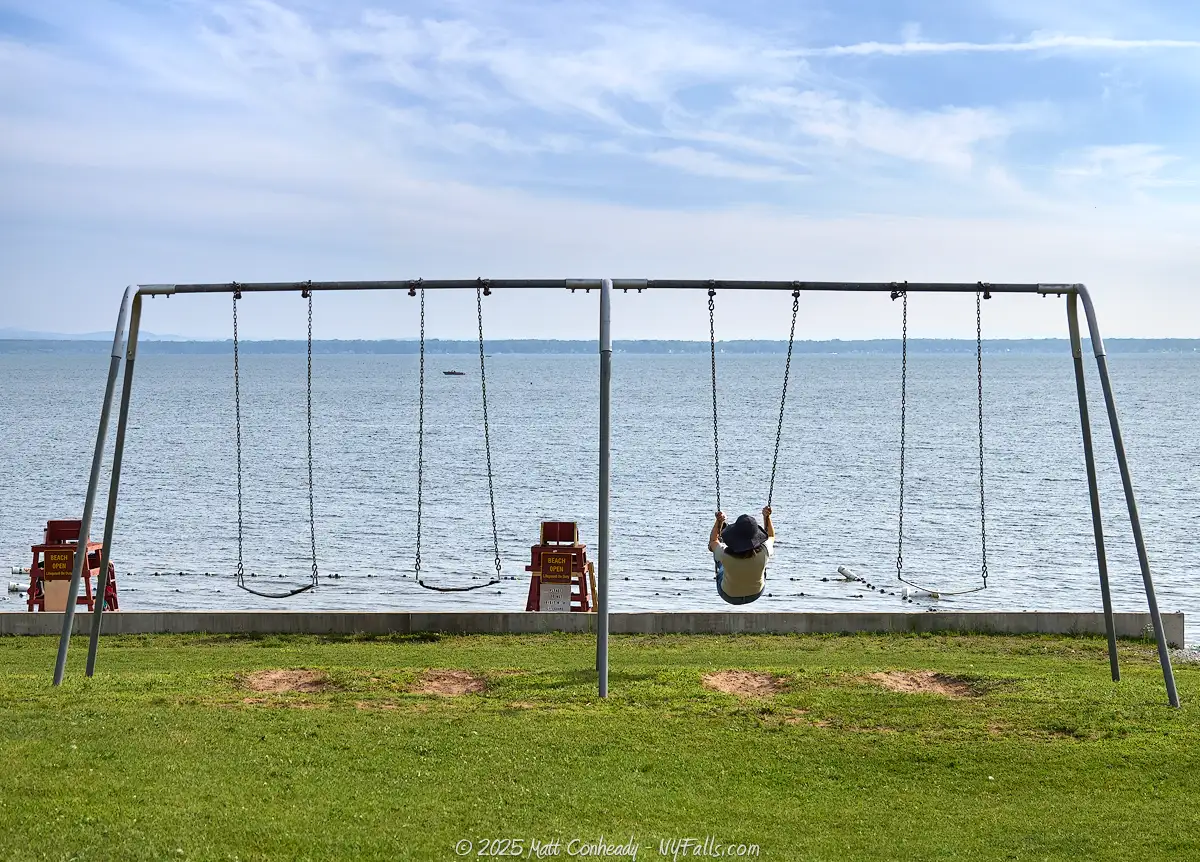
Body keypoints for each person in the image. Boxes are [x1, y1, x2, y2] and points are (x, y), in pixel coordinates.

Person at [708, 506, 774, 605]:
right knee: (764, 561)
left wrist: (719, 522)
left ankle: (722, 530)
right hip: (756, 594)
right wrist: (766, 517)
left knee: (719, 559)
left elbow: (712, 542)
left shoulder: (724, 554)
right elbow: (771, 536)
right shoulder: (764, 551)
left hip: (728, 596)